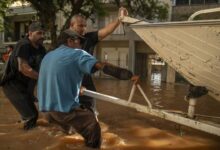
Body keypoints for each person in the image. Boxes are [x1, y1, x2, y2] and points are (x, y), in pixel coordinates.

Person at [37, 29, 137, 148]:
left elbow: (56, 77)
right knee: (93, 126)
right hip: (63, 109)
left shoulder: (49, 55)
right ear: (70, 41)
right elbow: (103, 67)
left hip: (46, 108)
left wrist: (77, 87)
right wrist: (130, 75)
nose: (81, 45)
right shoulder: (77, 53)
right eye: (79, 42)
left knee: (67, 131)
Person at [69, 7, 128, 112]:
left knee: (90, 108)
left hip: (86, 79)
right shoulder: (63, 42)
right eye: (80, 26)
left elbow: (106, 31)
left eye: (85, 26)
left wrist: (119, 18)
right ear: (71, 26)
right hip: (69, 79)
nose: (83, 28)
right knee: (69, 112)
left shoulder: (88, 38)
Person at [1, 21, 46, 130]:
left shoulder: (41, 49)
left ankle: (21, 128)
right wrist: (45, 79)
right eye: (39, 33)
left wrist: (31, 93)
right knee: (32, 115)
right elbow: (24, 68)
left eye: (44, 33)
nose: (42, 36)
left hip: (25, 85)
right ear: (30, 34)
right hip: (11, 84)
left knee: (29, 112)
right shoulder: (24, 45)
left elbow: (41, 69)